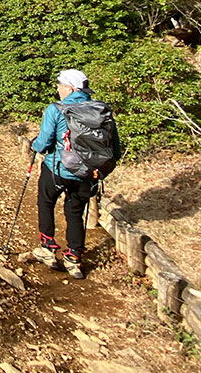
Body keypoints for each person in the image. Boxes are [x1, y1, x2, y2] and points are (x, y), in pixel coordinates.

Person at [30, 68, 120, 280]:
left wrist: (35, 144)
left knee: (45, 202)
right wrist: (98, 171)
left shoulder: (56, 109)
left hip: (57, 169)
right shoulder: (101, 110)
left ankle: (48, 247)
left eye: (60, 85)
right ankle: (74, 258)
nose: (58, 89)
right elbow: (114, 150)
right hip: (87, 174)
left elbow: (43, 143)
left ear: (70, 88)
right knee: (75, 213)